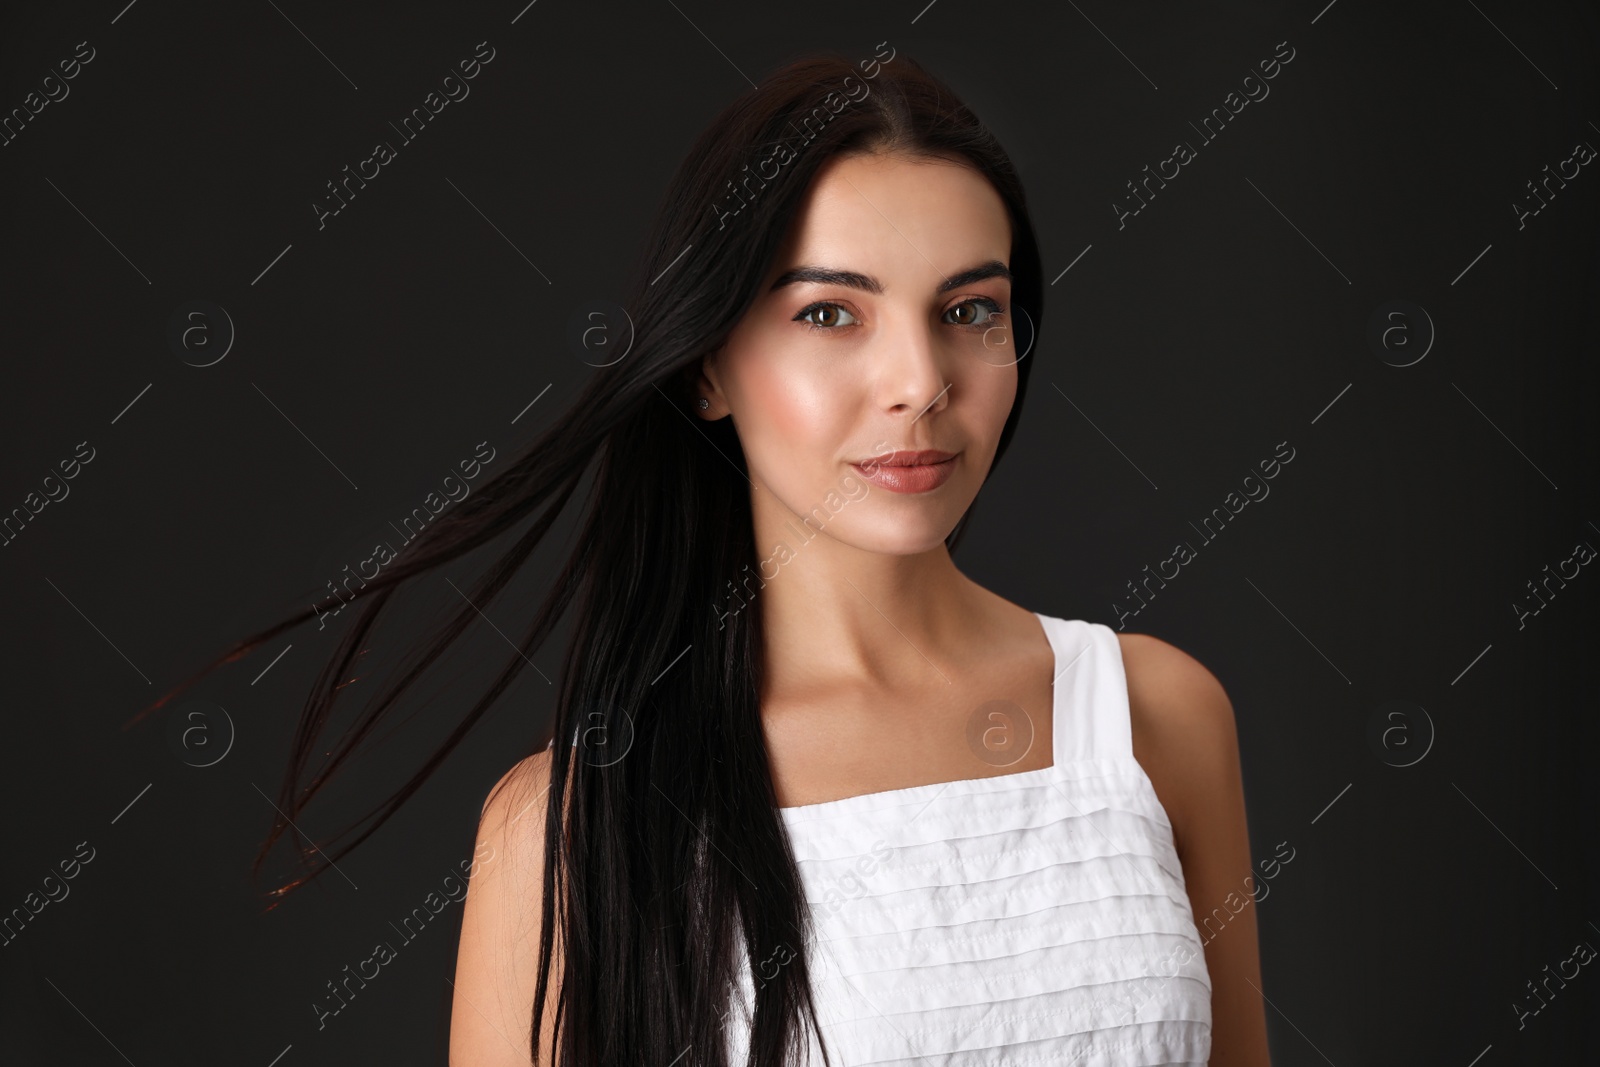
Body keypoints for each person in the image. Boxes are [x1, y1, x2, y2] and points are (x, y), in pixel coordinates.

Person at [140, 47, 1270, 1067]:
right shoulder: (571, 829)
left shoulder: (1156, 716)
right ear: (705, 366)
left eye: (969, 309)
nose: (921, 380)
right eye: (832, 314)